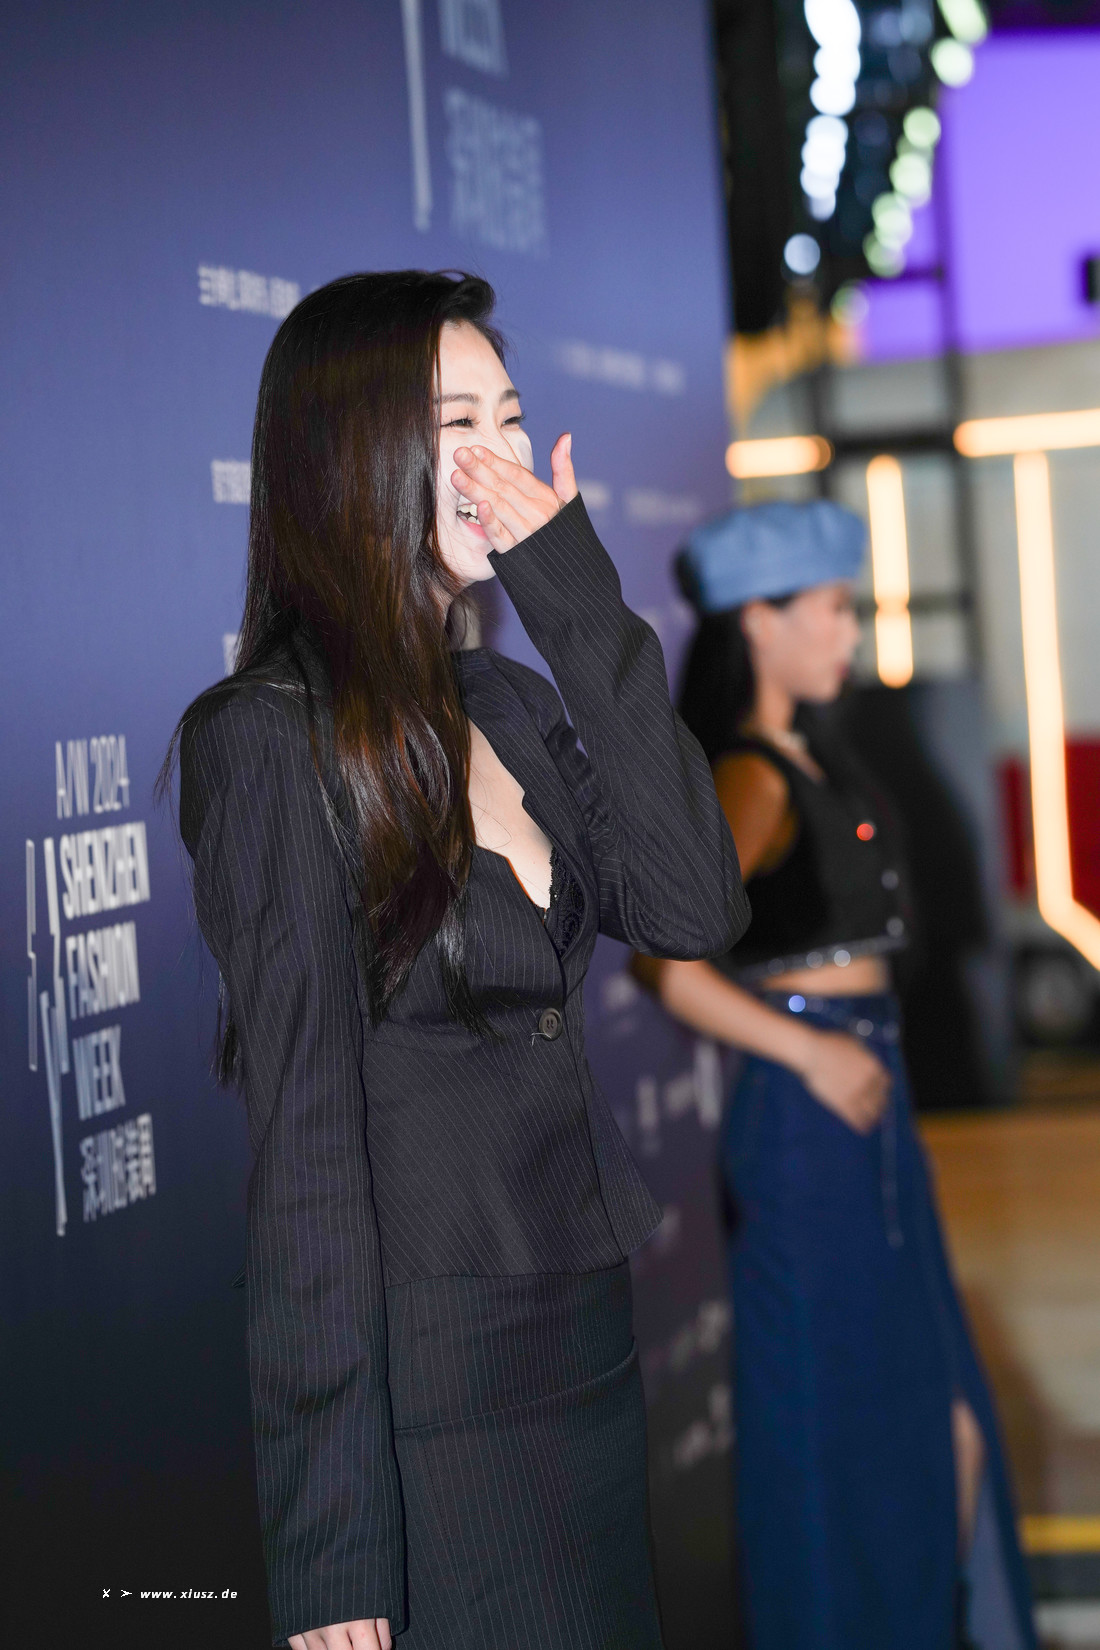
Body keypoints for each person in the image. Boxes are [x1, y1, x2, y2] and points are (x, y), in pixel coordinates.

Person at [167, 271, 748, 1650]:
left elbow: (695, 905)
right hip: (433, 1405)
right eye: (455, 424)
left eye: (511, 416)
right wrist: (333, 1552)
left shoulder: (510, 699)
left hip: (584, 1347)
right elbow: (306, 1155)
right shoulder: (269, 736)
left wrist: (576, 594)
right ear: (355, 455)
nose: (499, 454)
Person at [635, 500, 1036, 1650]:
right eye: (832, 609)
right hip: (807, 1125)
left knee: (942, 1428)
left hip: (869, 1110)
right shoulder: (749, 774)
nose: (851, 632)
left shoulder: (820, 756)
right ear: (758, 623)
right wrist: (807, 1045)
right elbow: (666, 962)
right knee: (836, 1435)